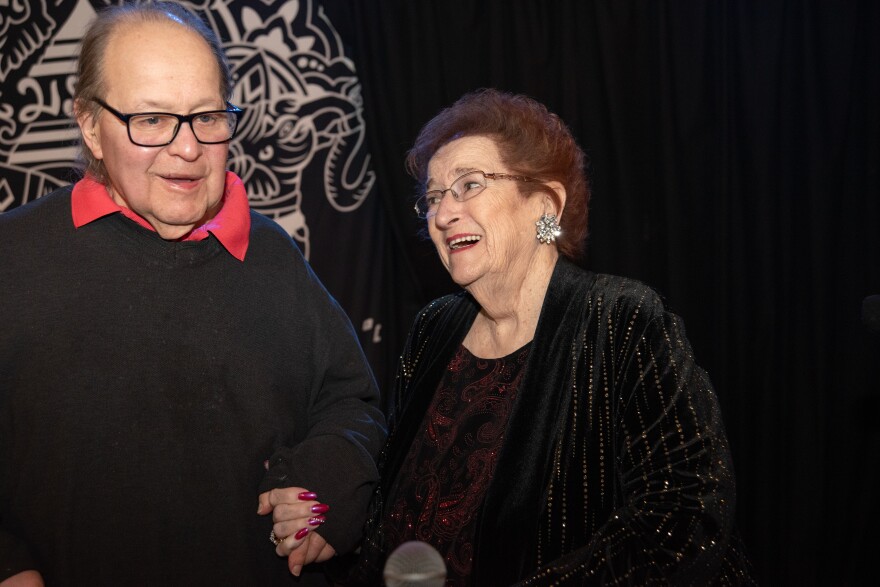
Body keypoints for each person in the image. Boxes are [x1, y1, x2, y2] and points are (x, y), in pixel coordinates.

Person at [0, 2, 385, 585]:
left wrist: (327, 484)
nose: (188, 148)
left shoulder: (271, 255)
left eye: (207, 116)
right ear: (89, 126)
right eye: (151, 119)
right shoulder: (13, 256)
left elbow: (352, 403)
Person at [350, 89, 753, 585]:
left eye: (469, 185)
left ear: (546, 203)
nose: (443, 213)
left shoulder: (621, 320)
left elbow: (684, 512)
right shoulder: (434, 329)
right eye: (433, 198)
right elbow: (387, 506)